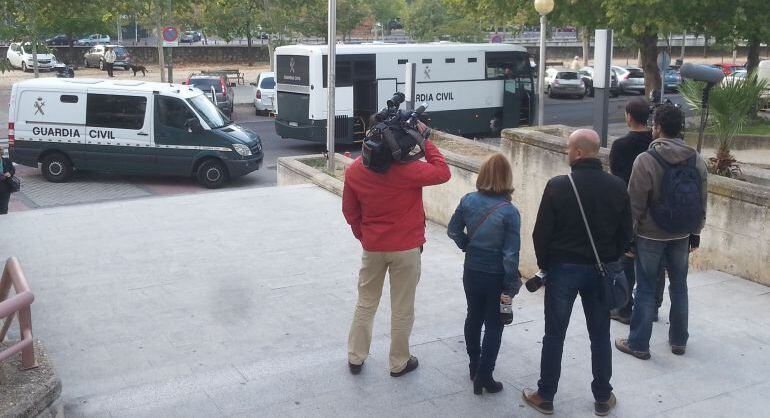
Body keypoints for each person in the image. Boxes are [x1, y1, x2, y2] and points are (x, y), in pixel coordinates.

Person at [522, 129, 631, 416]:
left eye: (569, 149)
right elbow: (626, 234)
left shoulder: (558, 185)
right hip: (601, 270)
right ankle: (603, 397)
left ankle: (545, 395)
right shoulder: (618, 186)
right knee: (600, 335)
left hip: (563, 269)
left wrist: (547, 266)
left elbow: (540, 233)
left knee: (554, 335)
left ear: (579, 152)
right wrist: (611, 258)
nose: (567, 153)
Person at [343, 122, 451, 377]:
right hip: (406, 247)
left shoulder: (356, 171)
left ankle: (355, 357)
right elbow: (443, 172)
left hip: (373, 247)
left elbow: (350, 212)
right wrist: (424, 139)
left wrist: (364, 236)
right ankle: (399, 362)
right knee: (402, 306)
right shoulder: (409, 170)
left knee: (366, 303)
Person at [615, 104, 707, 360]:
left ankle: (639, 344)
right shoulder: (695, 157)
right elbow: (702, 197)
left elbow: (635, 204)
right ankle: (678, 341)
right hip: (681, 233)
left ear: (656, 128)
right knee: (679, 286)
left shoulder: (646, 159)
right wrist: (695, 231)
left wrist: (628, 239)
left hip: (650, 235)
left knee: (644, 288)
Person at [447, 153, 521, 395]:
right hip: (496, 275)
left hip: (472, 270)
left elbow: (453, 230)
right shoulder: (510, 212)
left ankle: (474, 365)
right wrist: (512, 284)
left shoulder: (468, 200)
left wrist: (467, 245)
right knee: (494, 324)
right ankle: (485, 375)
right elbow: (511, 254)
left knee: (473, 317)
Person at [608, 98, 666, 325]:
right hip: (657, 212)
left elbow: (617, 180)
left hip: (629, 211)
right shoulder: (657, 145)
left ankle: (624, 307)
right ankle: (652, 307)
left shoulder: (621, 145)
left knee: (626, 261)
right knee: (656, 264)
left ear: (629, 117)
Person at [0, 144, 15, 215]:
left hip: (5, 187)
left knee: (4, 207)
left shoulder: (6, 161)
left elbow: (13, 170)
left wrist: (9, 173)